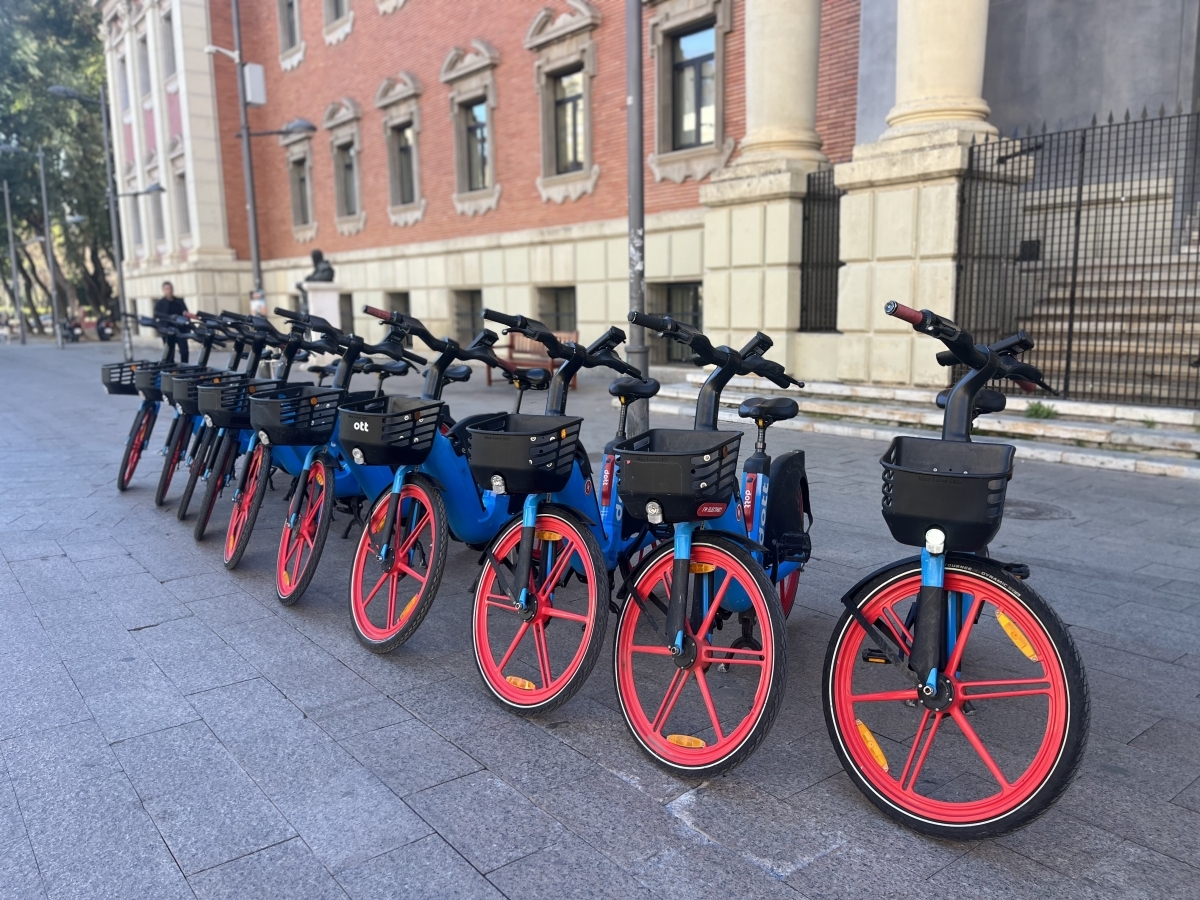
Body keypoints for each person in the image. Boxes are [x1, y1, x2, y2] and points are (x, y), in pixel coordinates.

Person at [153, 281, 189, 362]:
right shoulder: (160, 303)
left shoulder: (179, 301)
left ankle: (184, 369)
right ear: (164, 290)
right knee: (170, 354)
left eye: (170, 288)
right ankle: (171, 371)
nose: (169, 290)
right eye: (167, 289)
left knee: (184, 352)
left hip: (180, 330)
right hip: (168, 332)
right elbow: (156, 317)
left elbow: (185, 313)